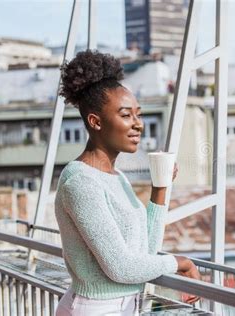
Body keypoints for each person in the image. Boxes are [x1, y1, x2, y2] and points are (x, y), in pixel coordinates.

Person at [54, 50, 200, 316]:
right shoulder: (80, 182)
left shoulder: (116, 177)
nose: (138, 125)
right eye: (126, 115)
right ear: (95, 122)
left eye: (138, 114)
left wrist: (160, 188)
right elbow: (121, 268)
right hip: (96, 309)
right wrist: (181, 263)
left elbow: (145, 250)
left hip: (125, 307)